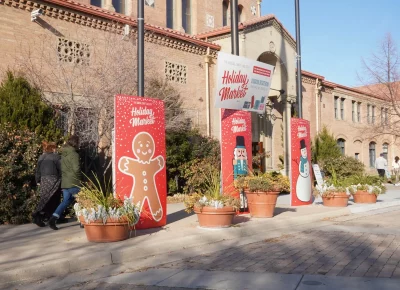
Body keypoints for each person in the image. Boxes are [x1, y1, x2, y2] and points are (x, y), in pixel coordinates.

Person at [48, 135, 81, 230]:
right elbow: (76, 169)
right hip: (73, 182)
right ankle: (83, 221)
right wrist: (80, 180)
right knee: (82, 201)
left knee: (66, 201)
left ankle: (53, 218)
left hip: (65, 182)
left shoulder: (64, 154)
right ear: (75, 143)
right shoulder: (74, 154)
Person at [33, 142, 61, 227]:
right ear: (52, 148)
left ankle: (40, 215)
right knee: (54, 198)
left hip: (43, 179)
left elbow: (38, 170)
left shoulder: (41, 157)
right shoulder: (56, 157)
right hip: (54, 179)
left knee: (44, 198)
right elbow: (61, 169)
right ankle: (45, 215)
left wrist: (37, 180)